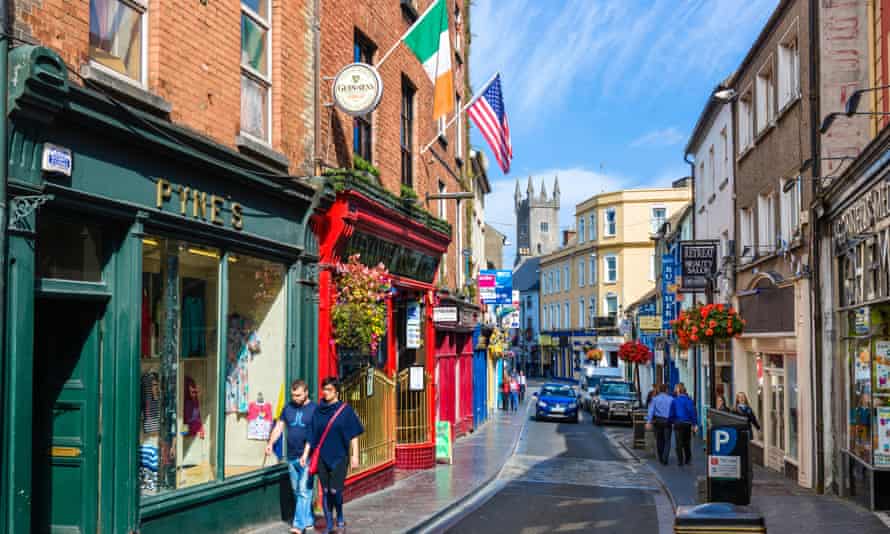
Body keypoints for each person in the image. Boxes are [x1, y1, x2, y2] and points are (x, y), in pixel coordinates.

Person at [302, 377, 364, 533]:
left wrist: (355, 456)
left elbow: (354, 434)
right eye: (324, 389)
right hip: (322, 456)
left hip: (340, 456)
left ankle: (340, 514)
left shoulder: (345, 410)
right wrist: (305, 454)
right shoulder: (318, 410)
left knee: (335, 490)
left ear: (336, 391)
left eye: (329, 389)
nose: (325, 392)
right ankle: (329, 523)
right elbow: (311, 434)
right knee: (326, 490)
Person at [266, 380, 316, 534]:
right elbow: (279, 427)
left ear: (306, 392)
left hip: (307, 457)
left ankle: (298, 525)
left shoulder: (315, 409)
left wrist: (307, 453)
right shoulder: (288, 408)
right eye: (293, 395)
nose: (295, 398)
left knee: (303, 491)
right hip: (292, 456)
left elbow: (315, 434)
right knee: (297, 491)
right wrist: (270, 443)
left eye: (299, 395)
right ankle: (308, 520)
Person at [669, 383, 698, 466]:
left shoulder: (674, 401)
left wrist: (671, 421)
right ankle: (688, 460)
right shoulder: (688, 400)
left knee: (678, 443)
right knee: (687, 442)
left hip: (678, 423)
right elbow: (692, 412)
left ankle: (680, 461)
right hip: (687, 424)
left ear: (678, 390)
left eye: (676, 389)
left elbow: (671, 413)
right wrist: (694, 423)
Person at [646, 384, 674, 465]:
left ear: (659, 390)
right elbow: (674, 411)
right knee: (667, 441)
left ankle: (661, 457)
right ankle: (665, 458)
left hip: (658, 421)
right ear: (666, 390)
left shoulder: (655, 399)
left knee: (659, 439)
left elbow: (651, 411)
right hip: (668, 421)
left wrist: (649, 421)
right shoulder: (671, 399)